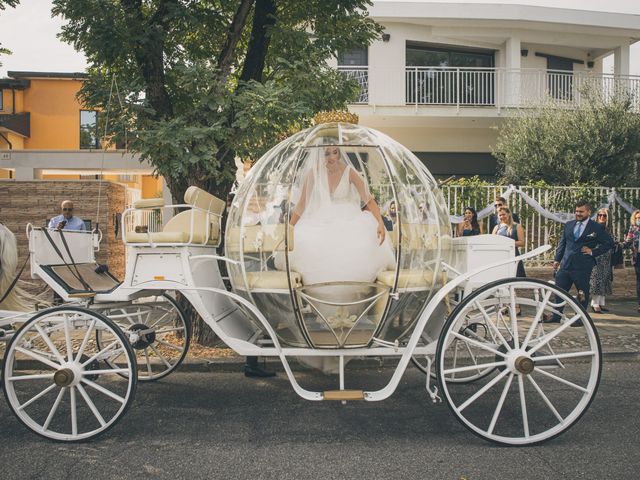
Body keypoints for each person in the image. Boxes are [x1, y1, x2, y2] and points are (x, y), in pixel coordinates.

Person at [288, 145, 395, 286]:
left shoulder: (349, 172)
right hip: (321, 220)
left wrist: (380, 222)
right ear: (321, 155)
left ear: (339, 153)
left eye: (335, 152)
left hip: (349, 218)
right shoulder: (313, 173)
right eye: (327, 154)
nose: (332, 157)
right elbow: (302, 204)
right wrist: (290, 228)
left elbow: (368, 199)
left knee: (357, 250)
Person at [544, 200, 613, 325]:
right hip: (565, 264)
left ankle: (579, 318)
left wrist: (593, 252)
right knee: (559, 290)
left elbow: (609, 243)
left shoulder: (596, 227)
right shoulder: (569, 225)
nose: (578, 213)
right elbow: (562, 244)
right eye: (576, 211)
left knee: (582, 292)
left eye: (581, 211)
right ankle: (556, 315)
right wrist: (557, 260)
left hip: (582, 266)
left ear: (588, 212)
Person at [589, 208, 613, 313]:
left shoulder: (608, 229)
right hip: (597, 257)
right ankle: (595, 304)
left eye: (604, 215)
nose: (601, 217)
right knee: (596, 280)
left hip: (606, 258)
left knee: (604, 280)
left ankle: (600, 303)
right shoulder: (594, 228)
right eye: (599, 215)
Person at [492, 206, 526, 278]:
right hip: (500, 257)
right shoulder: (496, 227)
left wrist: (507, 243)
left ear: (509, 214)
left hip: (513, 255)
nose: (502, 216)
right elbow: (492, 242)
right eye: (500, 215)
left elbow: (522, 243)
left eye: (504, 214)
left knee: (515, 281)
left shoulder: (517, 226)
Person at [623, 209, 640, 312]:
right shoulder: (633, 228)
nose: (639, 220)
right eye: (637, 218)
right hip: (637, 257)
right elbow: (628, 241)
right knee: (639, 281)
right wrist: (621, 246)